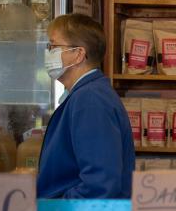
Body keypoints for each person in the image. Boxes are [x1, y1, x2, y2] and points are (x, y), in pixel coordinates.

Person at [37, 13, 134, 199]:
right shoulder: (85, 94)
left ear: (78, 54)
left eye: (53, 46)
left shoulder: (90, 99)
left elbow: (99, 183)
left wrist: (58, 210)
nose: (48, 53)